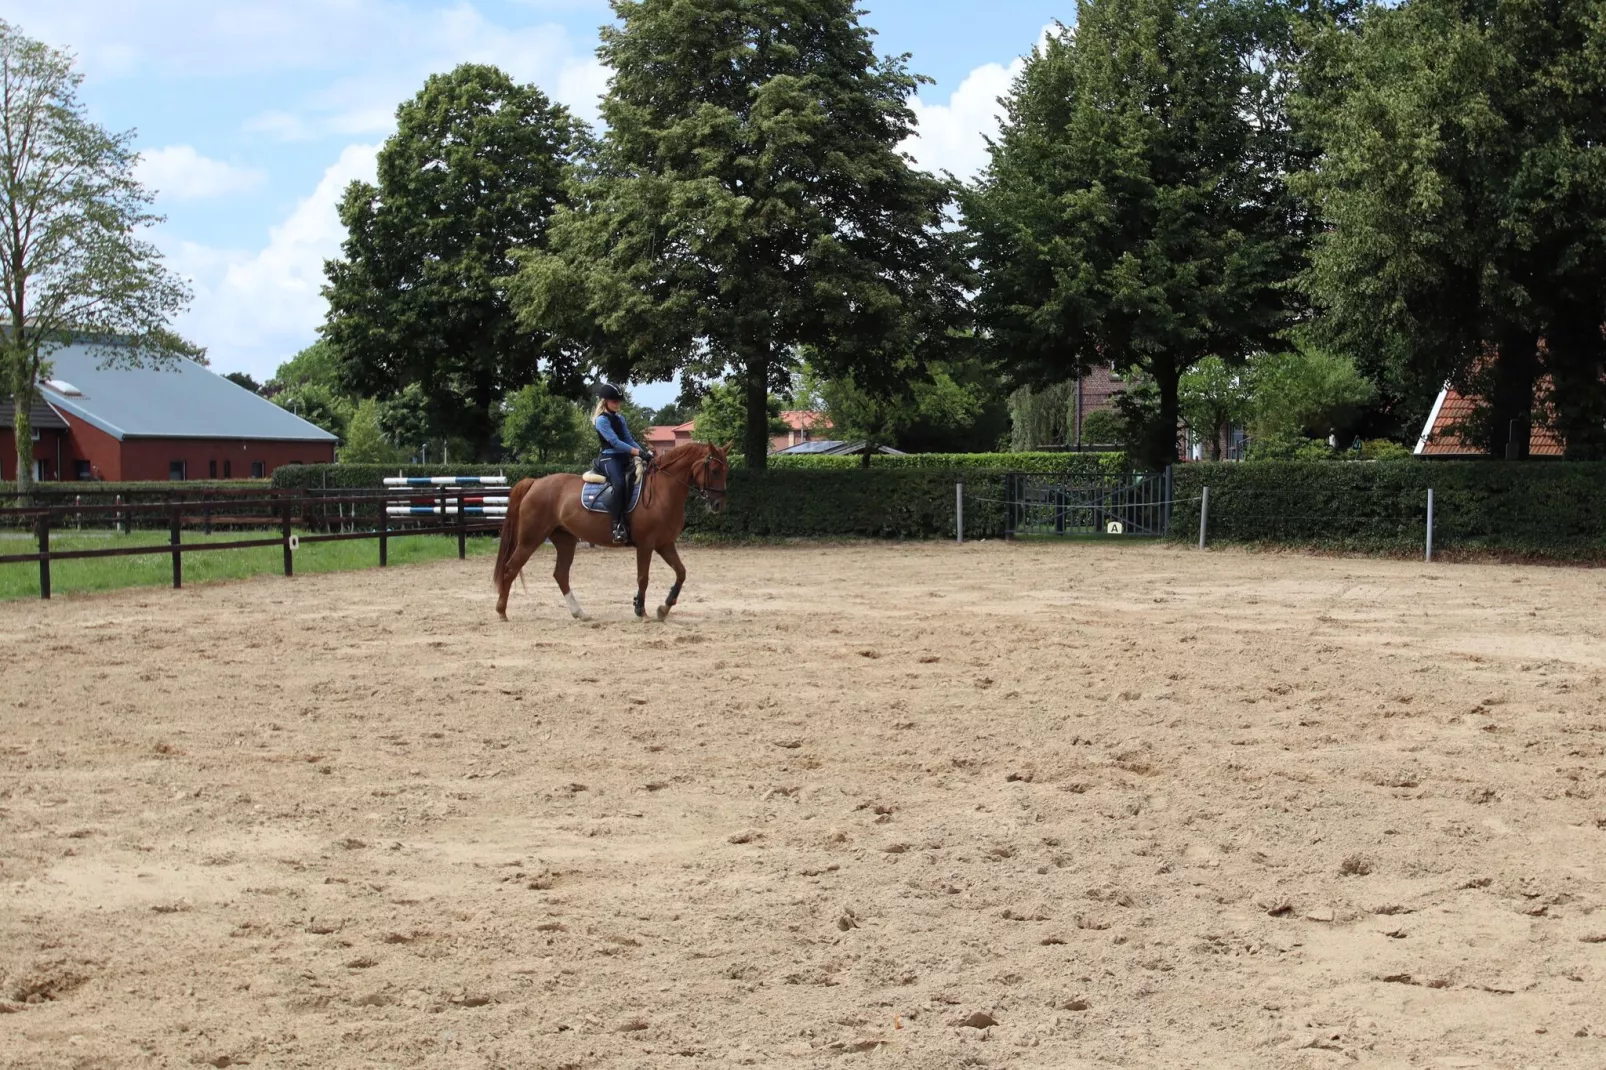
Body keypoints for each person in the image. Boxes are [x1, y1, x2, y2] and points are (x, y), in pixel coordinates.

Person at [592, 383, 645, 544]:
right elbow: (615, 442)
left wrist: (645, 453)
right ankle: (616, 526)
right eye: (614, 401)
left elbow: (628, 440)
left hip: (623, 458)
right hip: (609, 459)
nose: (617, 404)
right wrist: (637, 453)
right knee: (619, 484)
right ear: (605, 401)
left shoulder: (620, 418)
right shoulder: (601, 421)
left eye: (618, 401)